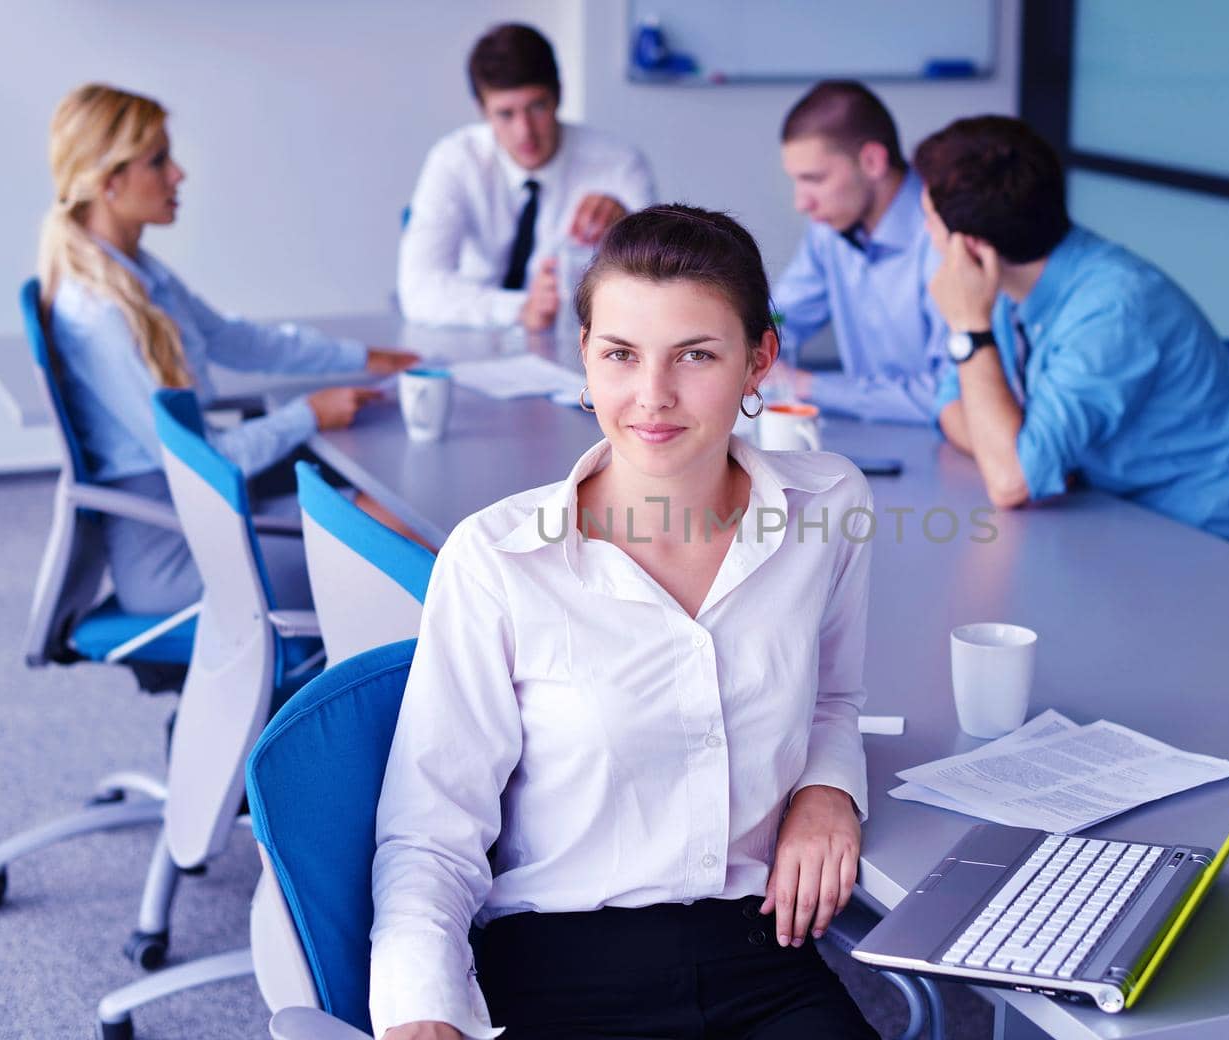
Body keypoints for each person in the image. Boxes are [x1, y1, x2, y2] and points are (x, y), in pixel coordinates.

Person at [370, 205, 878, 1039]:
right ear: (585, 359)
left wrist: (829, 790)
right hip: (557, 964)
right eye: (620, 355)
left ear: (760, 362)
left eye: (697, 356)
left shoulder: (828, 505)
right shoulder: (498, 560)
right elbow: (431, 832)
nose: (652, 397)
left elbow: (834, 695)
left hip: (760, 952)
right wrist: (421, 1014)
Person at [39, 83, 420, 614]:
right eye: (159, 161)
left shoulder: (136, 274)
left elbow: (232, 340)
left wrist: (360, 358)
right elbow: (202, 464)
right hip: (176, 548)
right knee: (403, 540)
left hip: (206, 514)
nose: (178, 174)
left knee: (389, 515)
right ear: (110, 182)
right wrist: (306, 413)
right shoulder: (101, 314)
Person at [916, 116, 1229, 545]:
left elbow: (1011, 481)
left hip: (1209, 549)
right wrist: (1018, 450)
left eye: (929, 220)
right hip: (1106, 522)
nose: (925, 233)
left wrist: (970, 330)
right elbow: (948, 406)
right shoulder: (1001, 284)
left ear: (971, 244)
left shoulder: (1115, 309)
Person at [398, 23, 656, 330]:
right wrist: (521, 309)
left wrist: (627, 235)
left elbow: (653, 293)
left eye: (537, 107)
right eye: (505, 114)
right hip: (474, 332)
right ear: (482, 111)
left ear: (559, 96)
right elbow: (419, 292)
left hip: (575, 342)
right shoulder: (455, 160)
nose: (525, 131)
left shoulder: (618, 163)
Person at [771, 81, 948, 424]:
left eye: (815, 179)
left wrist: (807, 385)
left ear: (871, 161)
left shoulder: (943, 236)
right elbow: (781, 319)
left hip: (946, 450)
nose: (801, 203)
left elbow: (950, 398)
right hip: (871, 438)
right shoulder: (829, 229)